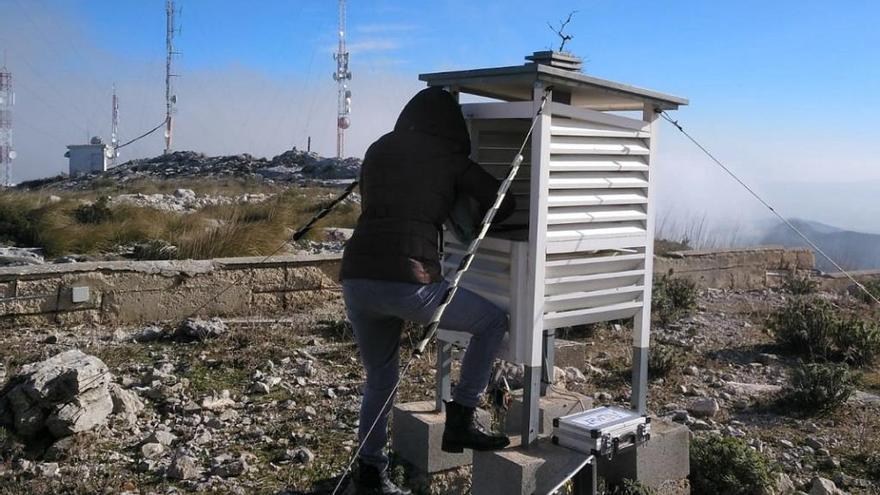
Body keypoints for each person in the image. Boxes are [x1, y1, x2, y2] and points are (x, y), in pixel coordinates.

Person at [341, 87, 515, 495]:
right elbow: (501, 204)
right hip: (409, 282)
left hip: (357, 279)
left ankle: (371, 474)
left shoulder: (378, 149)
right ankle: (462, 417)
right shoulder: (452, 157)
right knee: (492, 322)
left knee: (380, 380)